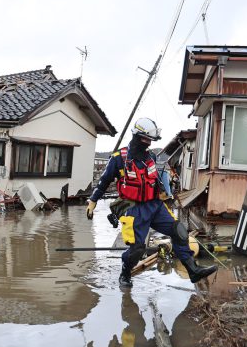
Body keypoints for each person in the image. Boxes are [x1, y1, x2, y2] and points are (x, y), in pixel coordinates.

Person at [86, 117, 217, 287]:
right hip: (134, 209)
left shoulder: (151, 158)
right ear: (136, 136)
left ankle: (193, 270)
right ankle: (125, 272)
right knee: (137, 250)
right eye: (146, 139)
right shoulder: (119, 158)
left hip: (155, 206)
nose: (148, 143)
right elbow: (103, 181)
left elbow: (155, 182)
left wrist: (166, 195)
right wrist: (93, 201)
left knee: (179, 232)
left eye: (151, 140)